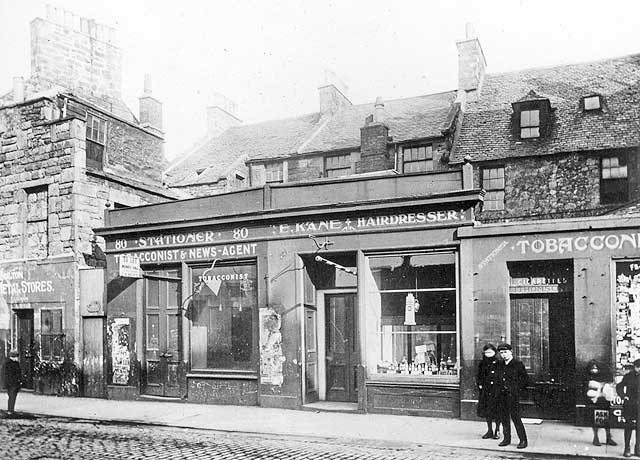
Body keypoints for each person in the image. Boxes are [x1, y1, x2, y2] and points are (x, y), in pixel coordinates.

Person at [497, 343, 529, 449]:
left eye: (505, 352)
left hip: (513, 395)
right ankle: (507, 439)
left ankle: (523, 440)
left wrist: (515, 389)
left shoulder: (518, 364)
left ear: (511, 352)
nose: (503, 355)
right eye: (501, 353)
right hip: (502, 395)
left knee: (516, 417)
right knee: (504, 417)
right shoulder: (500, 364)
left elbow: (524, 380)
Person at [585, 360, 616, 447]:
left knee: (607, 419)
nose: (593, 370)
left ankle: (608, 437)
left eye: (595, 368)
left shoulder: (602, 376)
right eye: (592, 368)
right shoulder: (587, 377)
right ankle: (596, 437)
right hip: (594, 401)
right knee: (595, 420)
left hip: (603, 400)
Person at [476, 343, 502, 439]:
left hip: (497, 391)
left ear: (494, 352)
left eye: (490, 352)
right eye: (486, 352)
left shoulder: (499, 362)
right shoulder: (482, 363)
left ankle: (497, 430)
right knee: (487, 411)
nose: (488, 354)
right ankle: (489, 430)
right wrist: (480, 386)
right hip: (486, 391)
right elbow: (479, 376)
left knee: (497, 411)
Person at [616, 359, 640, 457]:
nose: (638, 369)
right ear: (634, 367)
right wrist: (623, 396)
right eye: (637, 367)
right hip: (630, 405)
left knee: (639, 428)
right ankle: (627, 448)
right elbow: (619, 386)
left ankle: (638, 449)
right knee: (628, 427)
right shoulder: (628, 376)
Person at [4, 350, 23, 416]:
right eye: (16, 356)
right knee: (11, 396)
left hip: (15, 383)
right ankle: (10, 410)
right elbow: (8, 375)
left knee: (13, 396)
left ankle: (11, 409)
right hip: (11, 383)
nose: (17, 358)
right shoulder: (8, 364)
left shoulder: (16, 363)